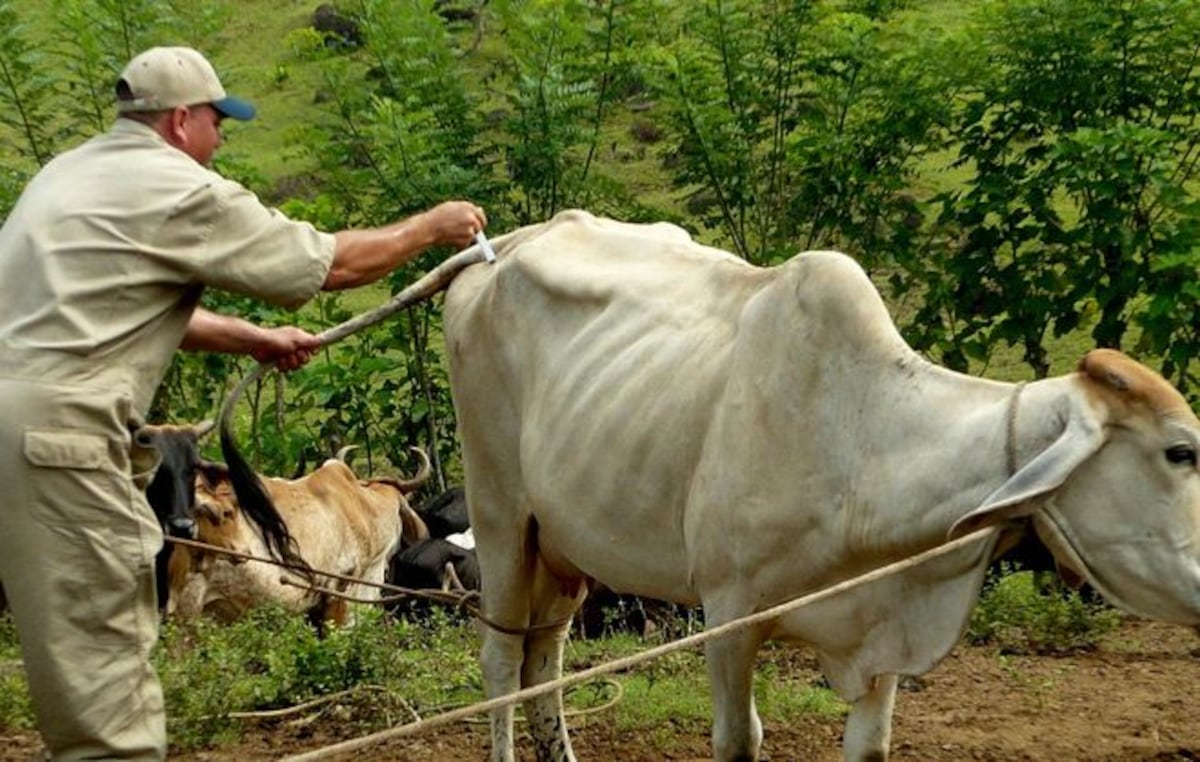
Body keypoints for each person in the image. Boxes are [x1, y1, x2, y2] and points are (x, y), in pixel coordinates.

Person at [0, 45, 487, 760]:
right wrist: (431, 228)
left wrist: (251, 338)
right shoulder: (176, 187)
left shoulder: (65, 177)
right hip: (58, 441)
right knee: (106, 687)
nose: (223, 137)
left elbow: (117, 305)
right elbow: (329, 264)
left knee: (61, 649)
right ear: (180, 120)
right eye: (218, 121)